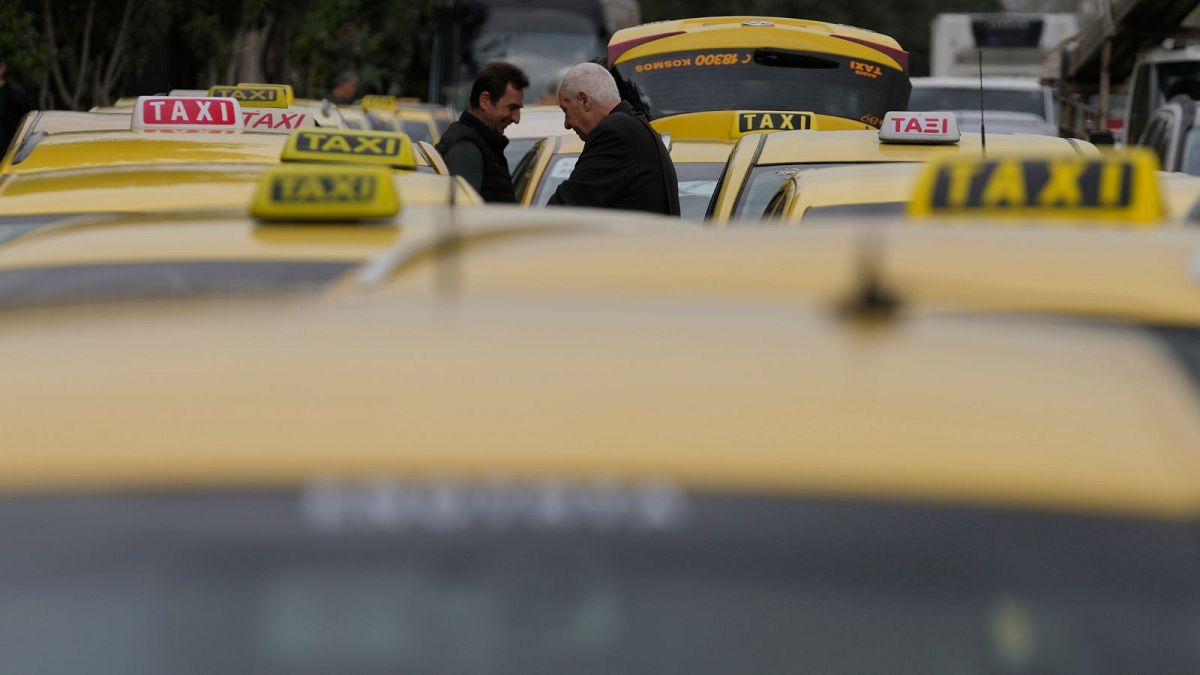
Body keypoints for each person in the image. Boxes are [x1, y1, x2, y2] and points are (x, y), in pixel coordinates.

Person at [547, 63, 679, 216]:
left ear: (584, 100)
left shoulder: (615, 132)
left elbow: (563, 208)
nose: (567, 124)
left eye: (566, 110)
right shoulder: (636, 128)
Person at [434, 62, 528, 203]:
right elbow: (464, 215)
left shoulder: (478, 144)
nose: (516, 118)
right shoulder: (466, 149)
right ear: (485, 101)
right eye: (512, 108)